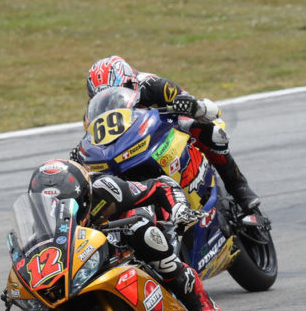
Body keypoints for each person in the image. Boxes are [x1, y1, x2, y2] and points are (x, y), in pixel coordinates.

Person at [27, 158, 247, 311]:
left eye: (67, 204)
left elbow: (162, 186)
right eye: (50, 206)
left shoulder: (106, 188)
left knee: (142, 233)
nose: (60, 211)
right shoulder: (39, 219)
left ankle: (202, 310)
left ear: (84, 196)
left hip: (130, 232)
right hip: (88, 253)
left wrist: (177, 209)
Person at [81, 55, 260, 211]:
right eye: (102, 96)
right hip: (128, 148)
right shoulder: (93, 111)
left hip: (166, 129)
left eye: (117, 92)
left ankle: (238, 187)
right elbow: (92, 139)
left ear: (130, 81)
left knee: (209, 132)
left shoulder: (155, 86)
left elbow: (202, 109)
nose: (111, 100)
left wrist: (192, 106)